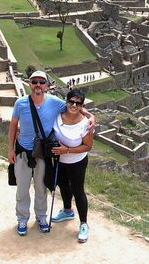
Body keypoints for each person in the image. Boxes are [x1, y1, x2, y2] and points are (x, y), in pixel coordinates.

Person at [8, 71, 94, 236]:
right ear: (29, 83)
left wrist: (91, 117)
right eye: (35, 82)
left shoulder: (55, 102)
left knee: (41, 188)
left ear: (46, 85)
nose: (38, 85)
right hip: (23, 152)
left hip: (42, 154)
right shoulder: (20, 103)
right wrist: (10, 149)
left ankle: (41, 217)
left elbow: (74, 107)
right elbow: (13, 126)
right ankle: (22, 219)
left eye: (41, 82)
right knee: (22, 189)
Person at [50, 88, 93, 243]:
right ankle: (67, 211)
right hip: (60, 161)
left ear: (82, 105)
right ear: (66, 102)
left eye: (78, 103)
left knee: (78, 190)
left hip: (77, 162)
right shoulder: (57, 116)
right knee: (63, 186)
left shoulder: (85, 124)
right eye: (71, 101)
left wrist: (66, 150)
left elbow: (87, 146)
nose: (74, 105)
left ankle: (83, 224)